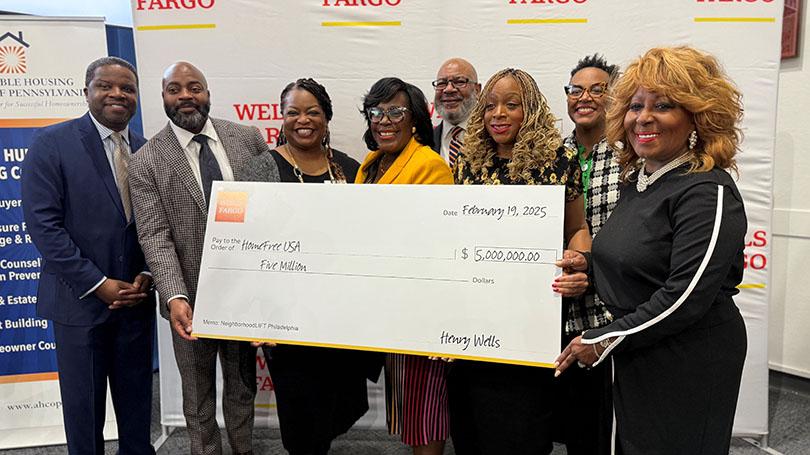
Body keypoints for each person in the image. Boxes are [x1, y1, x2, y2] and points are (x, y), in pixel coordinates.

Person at [555, 46, 748, 455]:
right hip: (642, 349)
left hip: (688, 359)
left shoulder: (707, 190)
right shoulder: (639, 180)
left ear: (697, 117)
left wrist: (607, 337)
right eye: (635, 106)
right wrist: (587, 265)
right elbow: (639, 258)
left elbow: (686, 296)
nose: (643, 118)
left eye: (662, 106)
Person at [129, 61, 276, 455]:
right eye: (174, 89)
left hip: (245, 296)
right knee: (196, 400)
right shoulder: (146, 161)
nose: (186, 96)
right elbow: (154, 235)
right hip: (189, 300)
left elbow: (273, 213)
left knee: (243, 388)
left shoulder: (247, 139)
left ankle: (243, 449)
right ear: (162, 98)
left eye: (194, 87)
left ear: (208, 93)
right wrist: (175, 296)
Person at [449, 68, 591, 455]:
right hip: (474, 317)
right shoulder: (467, 162)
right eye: (490, 105)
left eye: (512, 105)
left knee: (522, 427)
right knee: (472, 426)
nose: (498, 113)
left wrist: (580, 260)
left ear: (529, 110)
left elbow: (578, 227)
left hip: (531, 318)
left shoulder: (559, 158)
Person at [21, 56, 155, 455]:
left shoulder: (148, 151)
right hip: (79, 305)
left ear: (136, 97)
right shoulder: (52, 143)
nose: (117, 94)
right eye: (106, 86)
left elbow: (156, 224)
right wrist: (98, 284)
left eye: (127, 88)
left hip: (135, 302)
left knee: (137, 411)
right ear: (86, 92)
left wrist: (148, 271)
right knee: (84, 416)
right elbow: (44, 226)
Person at [241, 78, 370, 455]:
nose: (303, 120)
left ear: (327, 118)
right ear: (281, 118)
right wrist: (256, 313)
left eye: (313, 111)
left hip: (339, 319)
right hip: (287, 321)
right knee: (301, 419)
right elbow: (246, 248)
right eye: (293, 112)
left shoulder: (349, 168)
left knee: (333, 409)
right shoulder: (261, 169)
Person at [355, 77, 453, 455]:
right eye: (376, 112)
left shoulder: (430, 165)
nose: (384, 120)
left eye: (395, 111)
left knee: (424, 409)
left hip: (420, 306)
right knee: (409, 407)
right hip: (386, 305)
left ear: (414, 120)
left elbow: (436, 244)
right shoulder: (371, 162)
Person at [553, 53, 621, 455]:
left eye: (598, 90)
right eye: (576, 90)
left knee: (605, 428)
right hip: (560, 307)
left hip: (611, 312)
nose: (585, 97)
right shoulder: (552, 156)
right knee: (572, 427)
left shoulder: (632, 157)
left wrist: (592, 271)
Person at [431, 58, 481, 167]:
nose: (448, 89)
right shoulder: (423, 141)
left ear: (477, 90)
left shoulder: (494, 139)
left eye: (459, 82)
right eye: (442, 83)